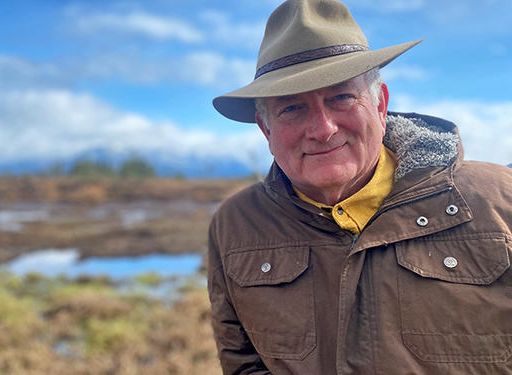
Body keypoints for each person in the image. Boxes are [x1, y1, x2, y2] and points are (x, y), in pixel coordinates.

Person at [207, 0, 512, 374]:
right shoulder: (235, 226)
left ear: (380, 105)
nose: (323, 129)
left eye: (341, 97)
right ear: (265, 129)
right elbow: (244, 364)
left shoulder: (500, 201)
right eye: (291, 108)